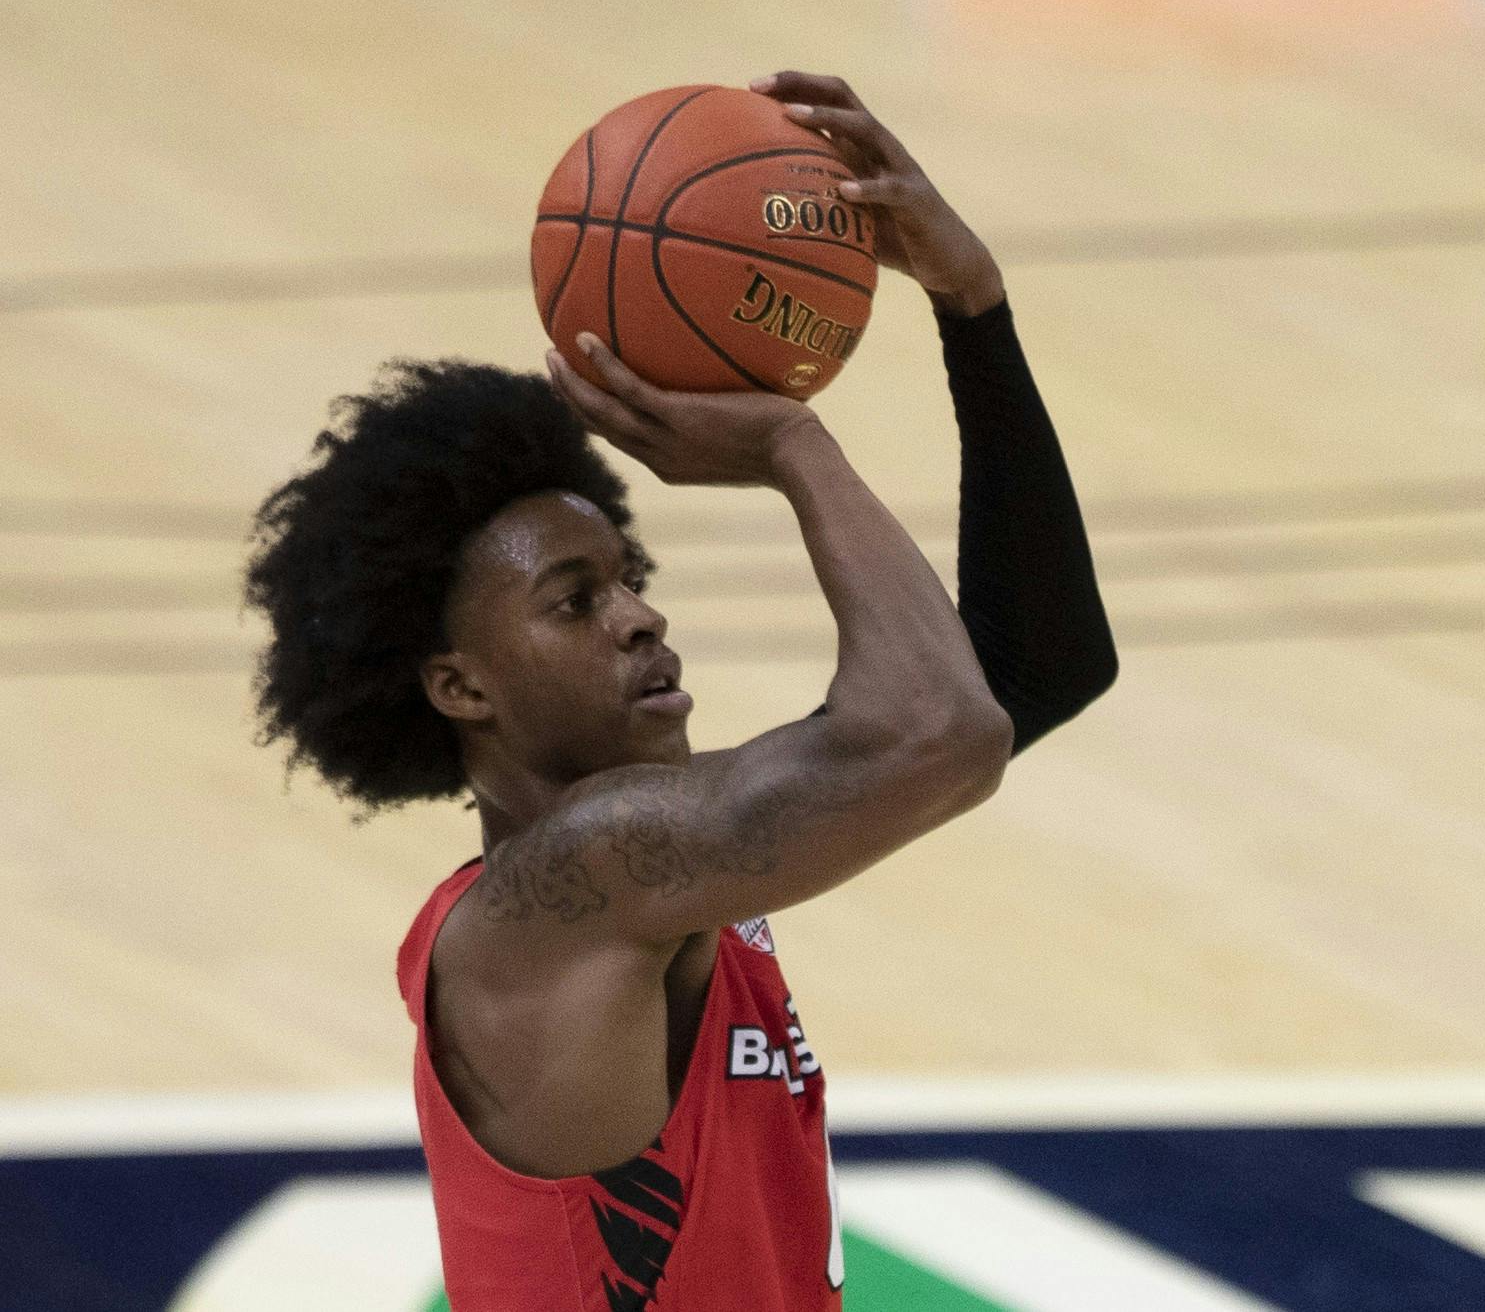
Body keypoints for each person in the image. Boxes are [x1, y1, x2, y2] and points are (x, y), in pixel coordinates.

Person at [243, 71, 1117, 1310]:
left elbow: (1034, 676)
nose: (640, 613)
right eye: (574, 599)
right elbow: (946, 727)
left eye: (628, 576)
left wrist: (971, 307)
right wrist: (786, 443)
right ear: (459, 685)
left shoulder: (654, 864)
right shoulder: (577, 883)